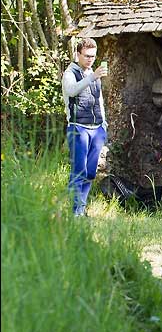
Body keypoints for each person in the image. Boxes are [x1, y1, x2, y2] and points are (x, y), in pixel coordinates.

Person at [62, 37, 108, 216]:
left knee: (89, 173)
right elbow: (72, 90)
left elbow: (99, 99)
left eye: (93, 56)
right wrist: (92, 77)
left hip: (96, 129)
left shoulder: (93, 73)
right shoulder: (70, 73)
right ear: (78, 54)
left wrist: (103, 123)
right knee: (78, 172)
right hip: (78, 128)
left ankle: (81, 208)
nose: (90, 59)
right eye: (87, 56)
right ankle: (76, 213)